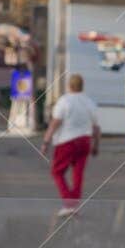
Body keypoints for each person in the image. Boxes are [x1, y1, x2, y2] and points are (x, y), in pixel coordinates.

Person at [42, 74, 99, 207]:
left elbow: (55, 123)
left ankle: (69, 202)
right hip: (85, 140)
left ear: (69, 86)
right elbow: (96, 127)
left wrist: (46, 141)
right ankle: (74, 202)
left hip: (66, 141)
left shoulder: (64, 101)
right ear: (82, 86)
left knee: (57, 172)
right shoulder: (89, 102)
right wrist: (96, 145)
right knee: (78, 173)